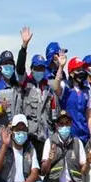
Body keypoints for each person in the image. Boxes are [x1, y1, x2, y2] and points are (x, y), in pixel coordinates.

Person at [17, 27, 55, 156]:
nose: (39, 70)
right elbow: (20, 68)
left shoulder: (47, 87)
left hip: (45, 136)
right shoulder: (25, 83)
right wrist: (24, 46)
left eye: (42, 68)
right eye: (37, 68)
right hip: (29, 136)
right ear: (32, 68)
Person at [52, 55, 91, 146]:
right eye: (78, 70)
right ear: (71, 73)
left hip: (84, 136)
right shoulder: (65, 87)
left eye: (82, 69)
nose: (81, 72)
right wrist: (61, 67)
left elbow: (89, 114)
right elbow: (55, 88)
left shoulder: (86, 90)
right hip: (69, 136)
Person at [0, 49, 23, 140]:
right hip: (0, 137)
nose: (8, 66)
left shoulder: (18, 87)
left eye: (10, 63)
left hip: (17, 136)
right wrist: (0, 109)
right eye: (5, 63)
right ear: (0, 67)